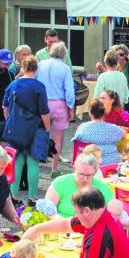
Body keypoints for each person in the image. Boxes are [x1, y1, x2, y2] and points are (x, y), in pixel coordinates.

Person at [2, 55, 51, 200]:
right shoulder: (39, 87)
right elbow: (44, 112)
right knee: (33, 162)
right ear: (36, 69)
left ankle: (14, 195)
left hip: (16, 128)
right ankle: (32, 197)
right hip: (35, 129)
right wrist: (47, 129)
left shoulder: (12, 85)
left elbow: (5, 107)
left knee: (17, 161)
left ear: (23, 68)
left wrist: (10, 122)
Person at [35, 41, 75, 178]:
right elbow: (69, 90)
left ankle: (36, 166)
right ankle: (54, 168)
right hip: (59, 104)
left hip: (41, 103)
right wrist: (71, 107)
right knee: (58, 138)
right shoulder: (65, 68)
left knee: (39, 134)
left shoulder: (40, 65)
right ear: (64, 54)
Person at [45, 154, 114, 218]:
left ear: (95, 172)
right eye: (81, 174)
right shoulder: (60, 183)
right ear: (74, 169)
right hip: (62, 225)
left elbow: (114, 213)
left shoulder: (103, 188)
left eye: (89, 175)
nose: (85, 179)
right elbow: (47, 210)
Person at [71, 99, 126, 166]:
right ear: (103, 112)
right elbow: (124, 134)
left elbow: (76, 142)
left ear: (90, 112)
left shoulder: (82, 127)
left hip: (88, 163)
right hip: (110, 164)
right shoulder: (112, 128)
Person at [115, 44, 129, 112]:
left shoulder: (128, 66)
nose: (119, 56)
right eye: (117, 54)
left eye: (121, 54)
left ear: (125, 55)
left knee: (127, 120)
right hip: (117, 97)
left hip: (127, 98)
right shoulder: (116, 66)